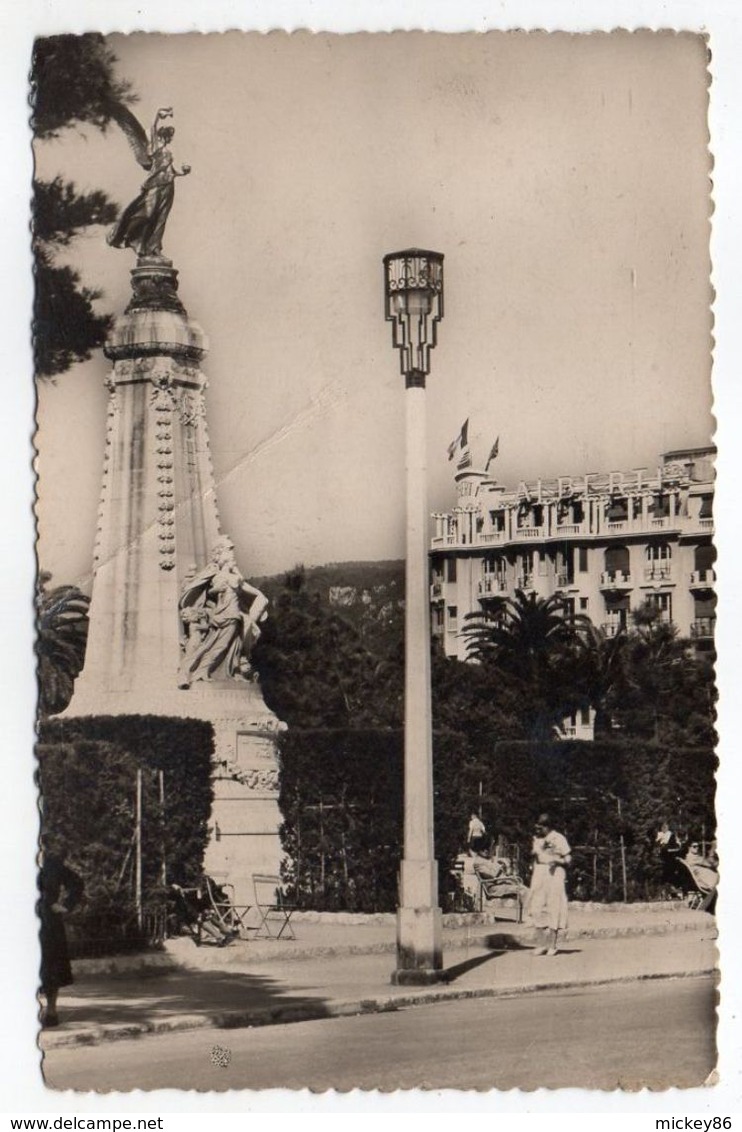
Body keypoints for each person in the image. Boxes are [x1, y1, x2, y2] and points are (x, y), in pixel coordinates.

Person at [107, 108, 191, 259]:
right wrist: (159, 113)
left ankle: (155, 248)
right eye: (167, 135)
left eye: (169, 136)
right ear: (161, 136)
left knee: (161, 218)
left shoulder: (168, 152)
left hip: (168, 185)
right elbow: (152, 128)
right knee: (148, 213)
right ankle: (128, 235)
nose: (168, 138)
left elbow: (170, 170)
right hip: (155, 185)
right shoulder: (154, 147)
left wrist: (182, 173)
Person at [38, 840, 84, 1028]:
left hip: (49, 922)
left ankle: (51, 1011)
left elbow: (77, 883)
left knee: (51, 966)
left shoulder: (53, 865)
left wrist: (65, 905)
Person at [527, 813, 571, 956]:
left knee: (554, 906)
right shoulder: (537, 839)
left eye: (540, 827)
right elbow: (535, 856)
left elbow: (569, 859)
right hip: (539, 872)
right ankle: (541, 944)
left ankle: (552, 945)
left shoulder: (559, 838)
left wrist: (558, 861)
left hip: (555, 873)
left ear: (547, 826)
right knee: (536, 907)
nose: (537, 830)